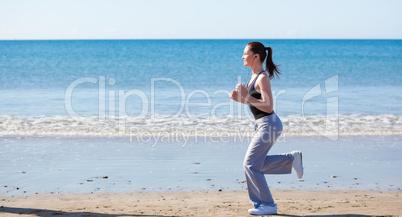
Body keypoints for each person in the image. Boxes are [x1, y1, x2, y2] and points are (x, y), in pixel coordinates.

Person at [229, 42, 303, 215]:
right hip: (263, 124)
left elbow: (268, 106)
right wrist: (241, 99)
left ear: (256, 57)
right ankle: (291, 159)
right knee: (256, 164)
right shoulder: (253, 77)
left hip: (269, 124)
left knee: (250, 164)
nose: (242, 57)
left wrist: (246, 96)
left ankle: (267, 205)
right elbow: (256, 105)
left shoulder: (263, 77)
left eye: (245, 54)